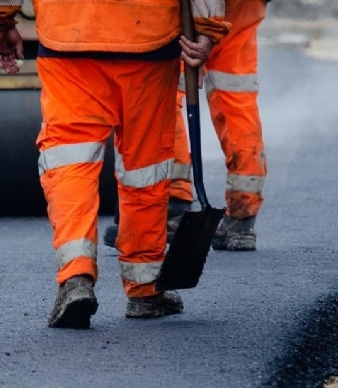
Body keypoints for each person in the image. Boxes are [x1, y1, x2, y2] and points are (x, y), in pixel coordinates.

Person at [0, 0, 230, 329]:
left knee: (70, 158)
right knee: (146, 166)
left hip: (68, 36)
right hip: (149, 38)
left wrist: (0, 18)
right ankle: (145, 289)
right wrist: (207, 28)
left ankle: (76, 277)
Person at [104, 0, 268, 252]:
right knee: (237, 96)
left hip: (190, 7)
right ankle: (241, 219)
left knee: (166, 90)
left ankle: (173, 202)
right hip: (243, 6)